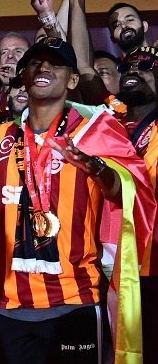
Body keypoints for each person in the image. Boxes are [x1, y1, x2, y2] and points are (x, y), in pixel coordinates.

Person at [0, 36, 154, 364]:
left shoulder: (93, 131)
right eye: (35, 63)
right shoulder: (2, 135)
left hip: (74, 299)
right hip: (8, 304)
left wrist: (98, 169)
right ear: (24, 76)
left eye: (55, 64)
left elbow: (126, 191)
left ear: (72, 80)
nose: (43, 68)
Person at [117, 46, 158, 364]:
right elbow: (85, 72)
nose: (134, 70)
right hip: (114, 264)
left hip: (153, 261)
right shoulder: (106, 123)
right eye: (129, 66)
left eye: (146, 66)